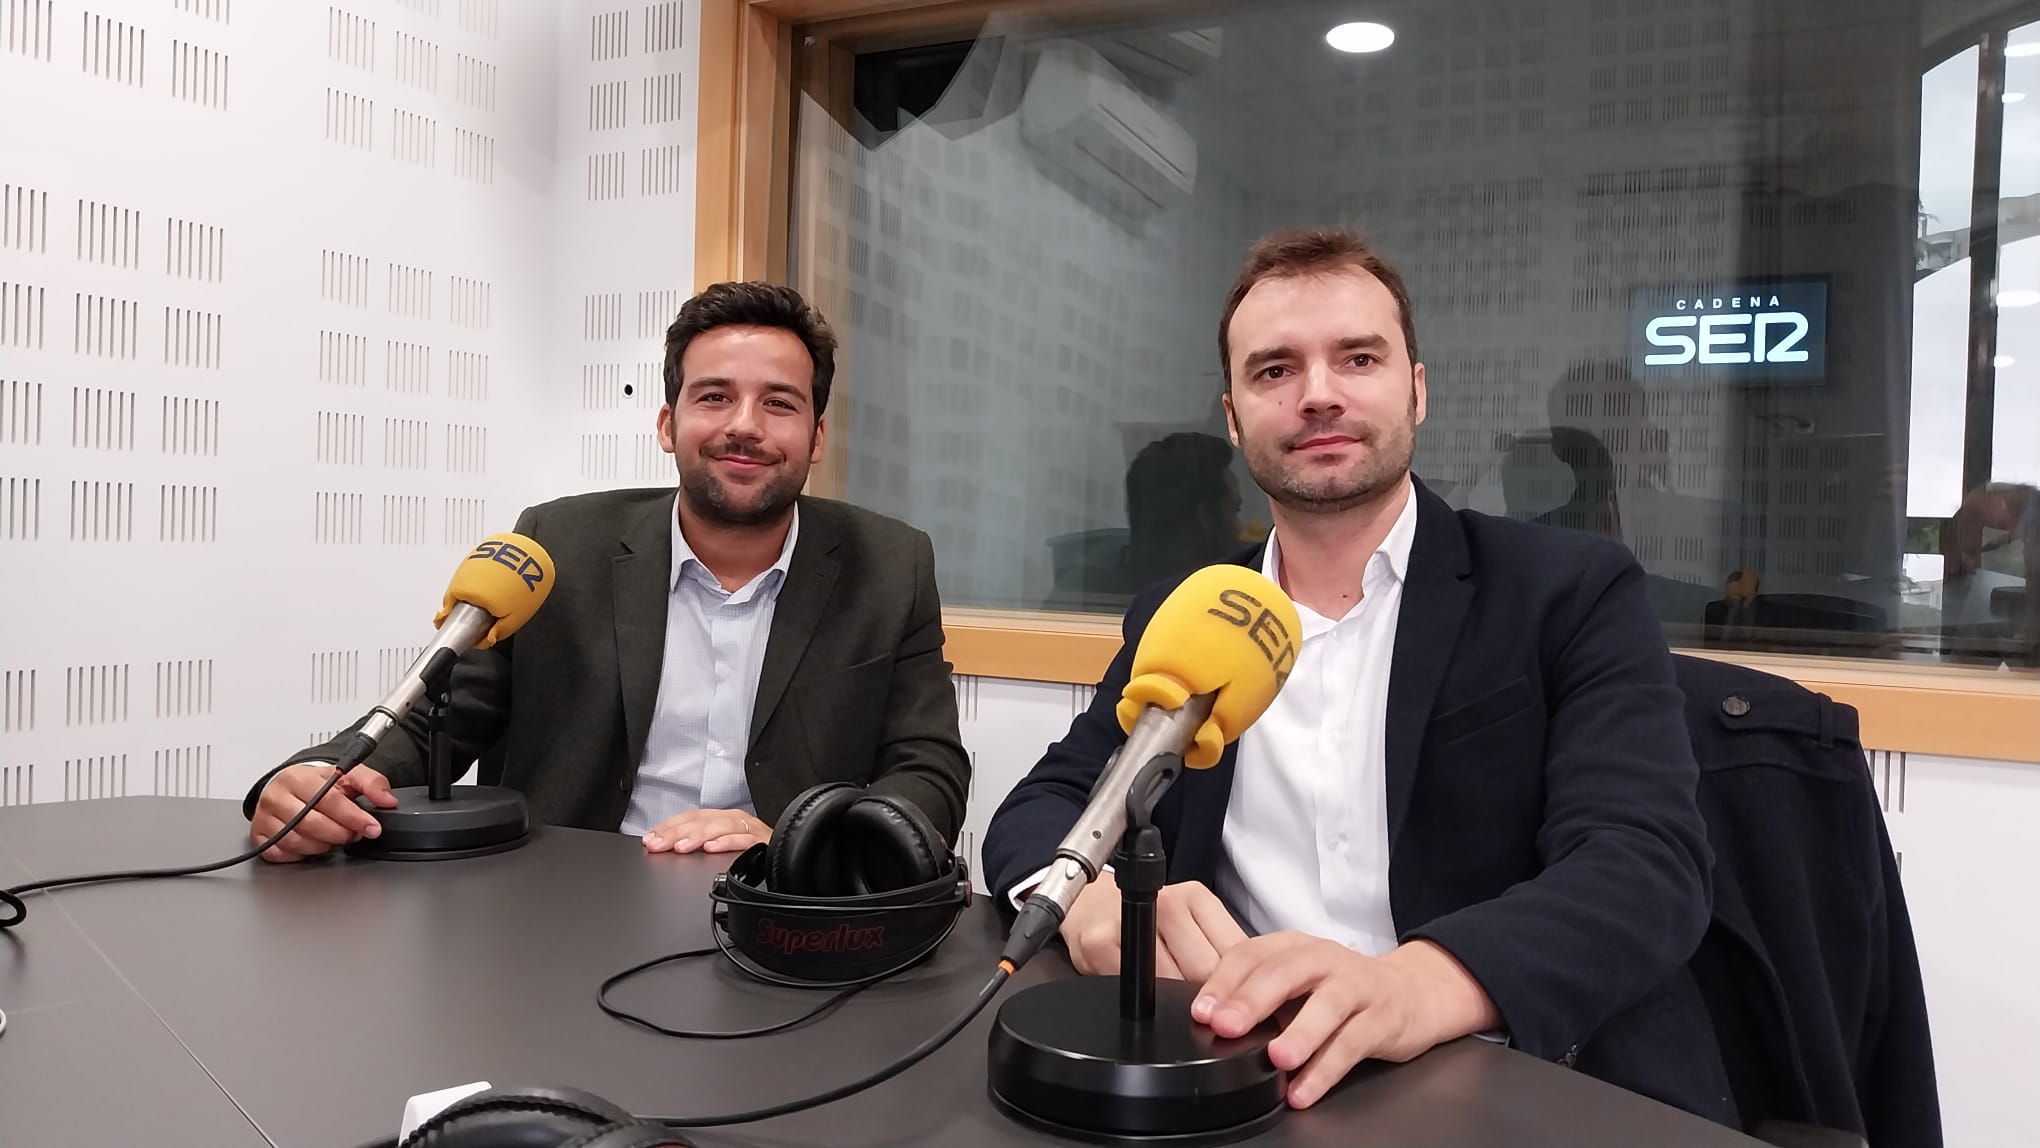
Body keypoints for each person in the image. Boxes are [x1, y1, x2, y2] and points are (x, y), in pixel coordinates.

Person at [982, 228, 1729, 1122]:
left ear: (1416, 389)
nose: (1319, 396)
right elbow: (1046, 805)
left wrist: (1420, 984)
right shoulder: (1185, 613)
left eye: (1358, 358)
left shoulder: (1566, 590)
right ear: (1232, 416)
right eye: (1274, 372)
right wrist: (1087, 900)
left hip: (1498, 1073)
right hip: (1242, 1075)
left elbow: (1645, 864)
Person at [245, 282, 971, 861]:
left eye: (778, 404)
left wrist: (797, 840)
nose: (745, 425)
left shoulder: (891, 565)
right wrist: (313, 776)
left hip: (779, 906)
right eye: (714, 396)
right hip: (561, 909)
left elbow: (928, 772)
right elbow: (438, 723)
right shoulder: (556, 545)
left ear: (815, 439)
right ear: (667, 425)